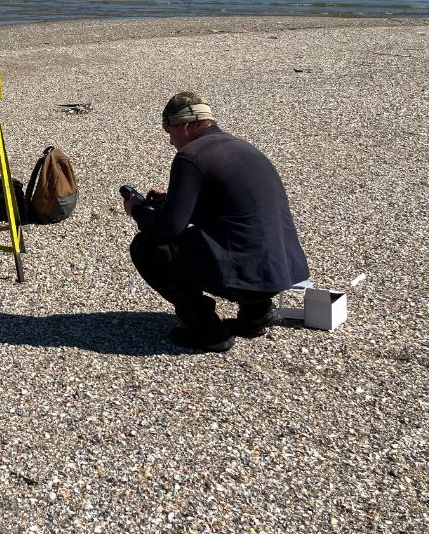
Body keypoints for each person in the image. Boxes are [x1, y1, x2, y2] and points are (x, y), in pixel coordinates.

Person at [124, 92, 311, 353]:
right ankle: (257, 313)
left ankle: (207, 330)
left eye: (169, 131)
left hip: (247, 272)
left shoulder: (190, 156)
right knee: (238, 235)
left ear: (185, 125)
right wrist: (172, 199)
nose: (170, 140)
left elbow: (168, 228)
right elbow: (230, 206)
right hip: (280, 270)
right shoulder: (242, 147)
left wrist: (137, 211)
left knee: (148, 247)